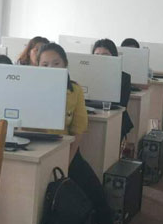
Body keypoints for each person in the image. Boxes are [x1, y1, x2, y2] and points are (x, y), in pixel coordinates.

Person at [37, 43, 113, 224]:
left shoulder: (74, 90)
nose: (51, 68)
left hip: (66, 151)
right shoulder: (29, 88)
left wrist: (66, 162)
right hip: (37, 151)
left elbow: (78, 129)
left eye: (56, 63)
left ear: (65, 64)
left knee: (99, 200)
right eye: (45, 64)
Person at [92, 39, 134, 141]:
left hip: (115, 118)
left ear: (114, 57)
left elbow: (122, 105)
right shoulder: (85, 75)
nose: (101, 58)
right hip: (91, 115)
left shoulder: (124, 77)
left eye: (105, 55)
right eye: (97, 55)